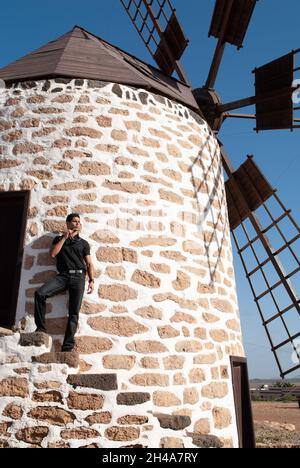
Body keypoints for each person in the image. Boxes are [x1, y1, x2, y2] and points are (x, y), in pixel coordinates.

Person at [34, 213, 94, 352]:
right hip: (63, 276)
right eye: (74, 221)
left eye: (79, 221)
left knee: (74, 313)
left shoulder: (83, 243)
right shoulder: (59, 239)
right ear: (68, 223)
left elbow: (89, 263)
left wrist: (91, 280)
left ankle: (67, 346)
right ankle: (41, 329)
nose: (77, 224)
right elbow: (53, 254)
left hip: (79, 278)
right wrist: (65, 237)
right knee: (40, 294)